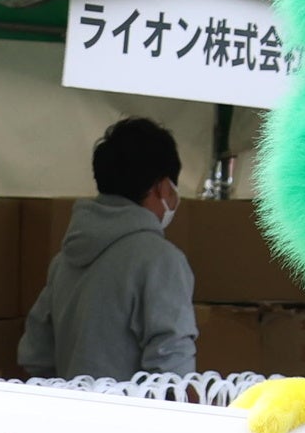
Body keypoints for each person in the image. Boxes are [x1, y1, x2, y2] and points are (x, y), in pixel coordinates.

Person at [19, 114, 196, 379]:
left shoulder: (65, 260)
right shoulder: (160, 260)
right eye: (172, 189)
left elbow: (35, 355)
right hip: (130, 419)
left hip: (69, 413)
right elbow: (173, 367)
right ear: (159, 187)